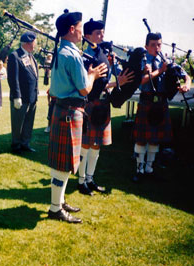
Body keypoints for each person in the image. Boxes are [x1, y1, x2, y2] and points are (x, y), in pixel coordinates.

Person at [47, 10, 107, 223]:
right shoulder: (71, 55)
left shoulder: (62, 51)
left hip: (64, 111)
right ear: (72, 29)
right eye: (81, 28)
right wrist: (92, 75)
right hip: (69, 113)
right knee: (63, 165)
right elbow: (84, 90)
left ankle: (59, 202)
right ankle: (55, 208)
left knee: (63, 162)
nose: (82, 33)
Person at [77, 19, 134, 196]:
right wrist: (117, 83)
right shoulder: (86, 57)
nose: (102, 36)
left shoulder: (102, 54)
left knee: (96, 146)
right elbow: (91, 85)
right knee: (86, 146)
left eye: (102, 32)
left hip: (102, 103)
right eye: (97, 33)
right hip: (91, 103)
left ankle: (90, 178)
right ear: (87, 36)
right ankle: (81, 181)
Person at [132, 32, 191, 182]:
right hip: (147, 102)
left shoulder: (165, 60)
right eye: (153, 45)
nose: (157, 48)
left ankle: (150, 168)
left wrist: (187, 84)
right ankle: (139, 169)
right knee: (141, 139)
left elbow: (185, 75)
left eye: (159, 44)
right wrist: (160, 71)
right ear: (146, 46)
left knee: (154, 139)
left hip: (161, 103)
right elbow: (141, 81)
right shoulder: (143, 61)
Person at [7, 31, 39, 154]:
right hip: (21, 97)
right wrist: (16, 96)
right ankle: (16, 145)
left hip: (32, 97)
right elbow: (13, 78)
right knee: (18, 123)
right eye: (34, 43)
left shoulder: (31, 56)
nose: (35, 45)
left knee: (28, 122)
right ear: (27, 43)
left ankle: (25, 143)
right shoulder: (15, 56)